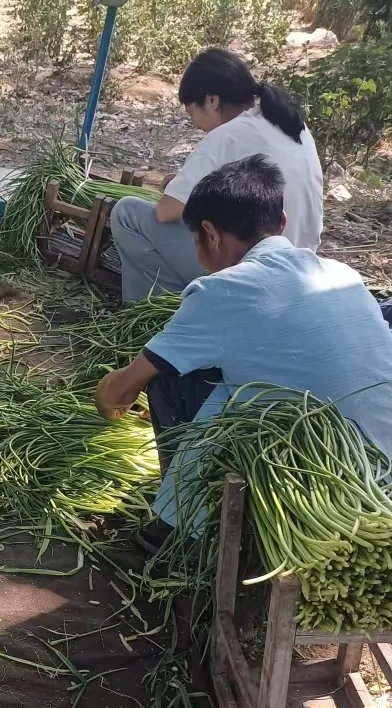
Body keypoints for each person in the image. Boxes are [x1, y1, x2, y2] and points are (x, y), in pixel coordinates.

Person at [96, 156, 392, 536]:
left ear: (210, 233)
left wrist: (106, 394)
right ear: (282, 223)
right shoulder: (341, 273)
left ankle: (179, 528)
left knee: (171, 378)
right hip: (378, 471)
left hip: (318, 472)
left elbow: (121, 390)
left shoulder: (222, 290)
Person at [110, 48, 324, 303]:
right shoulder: (289, 123)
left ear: (212, 100)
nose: (195, 125)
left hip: (251, 278)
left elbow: (165, 212)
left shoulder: (227, 135)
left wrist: (176, 190)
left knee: (127, 214)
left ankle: (156, 312)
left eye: (192, 113)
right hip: (301, 270)